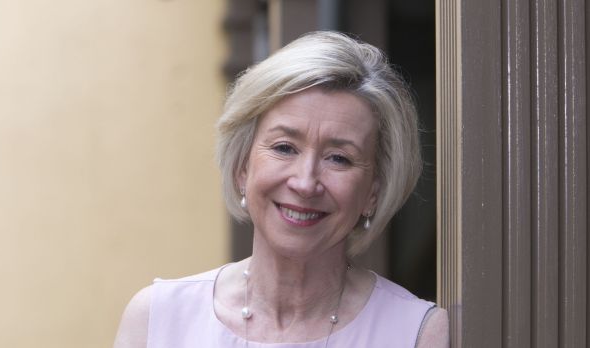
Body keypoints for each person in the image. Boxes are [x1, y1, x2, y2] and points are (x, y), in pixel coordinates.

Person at [114, 31, 449, 348]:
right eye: (285, 148)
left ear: (373, 192)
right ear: (243, 166)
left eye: (339, 158)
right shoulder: (158, 321)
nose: (305, 183)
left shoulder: (418, 333)